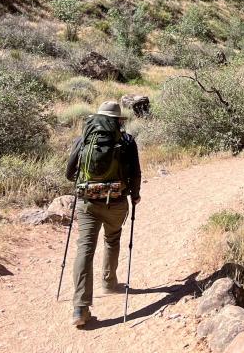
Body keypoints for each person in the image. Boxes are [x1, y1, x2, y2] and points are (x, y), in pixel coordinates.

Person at [65, 99, 143, 327]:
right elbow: (136, 173)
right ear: (119, 120)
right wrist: (135, 195)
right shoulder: (127, 141)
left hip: (88, 203)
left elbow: (70, 174)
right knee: (112, 238)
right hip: (117, 202)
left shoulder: (83, 139)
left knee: (85, 249)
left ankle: (80, 307)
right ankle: (109, 282)